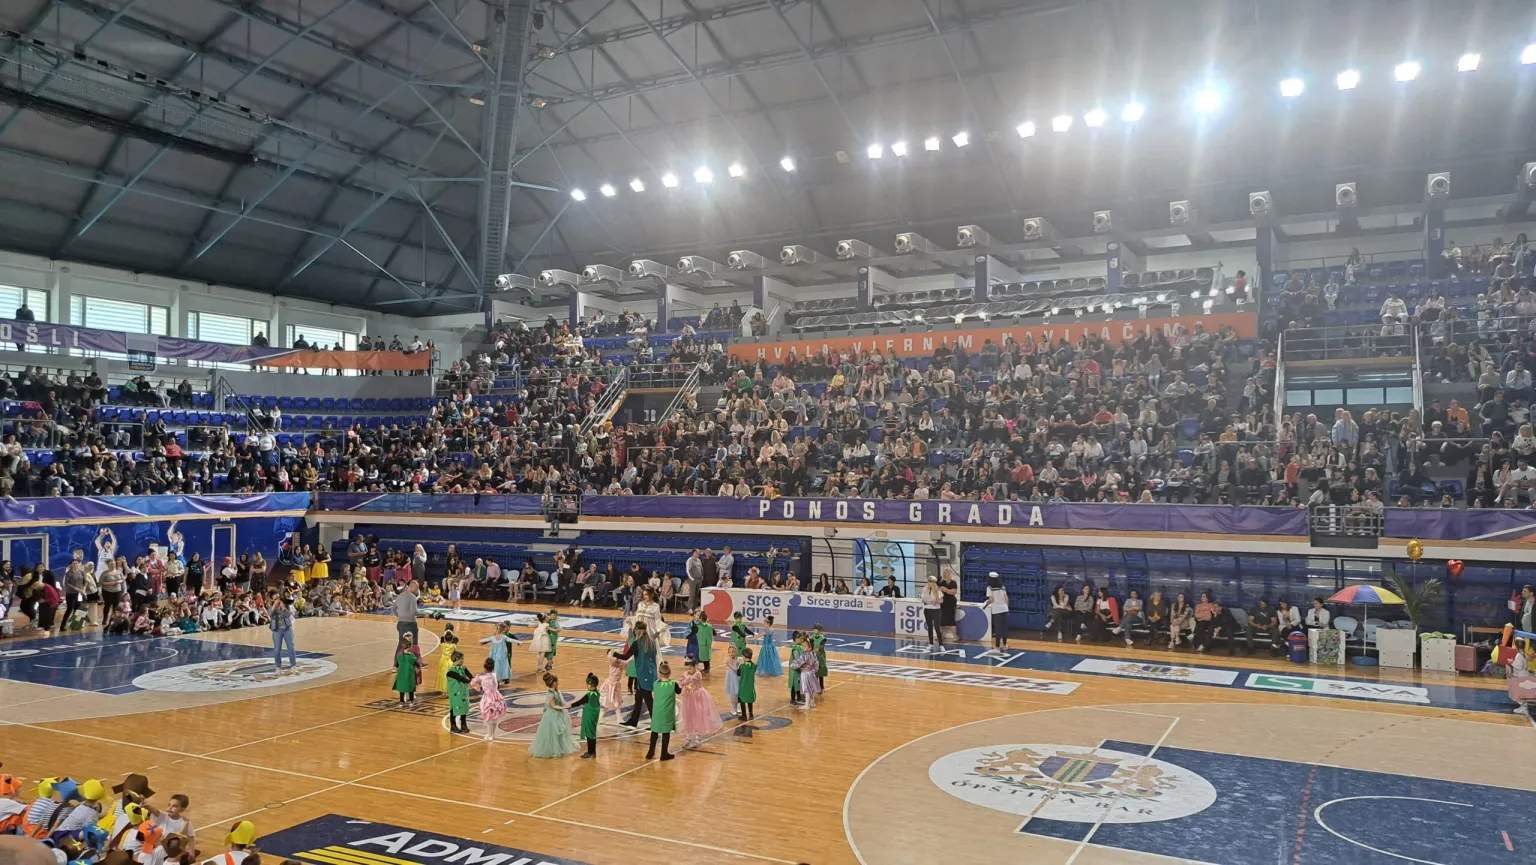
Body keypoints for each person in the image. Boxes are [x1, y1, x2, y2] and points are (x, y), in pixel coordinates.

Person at [616, 621, 659, 728]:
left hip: (643, 675)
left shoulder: (637, 643)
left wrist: (614, 654)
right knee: (638, 698)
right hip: (651, 673)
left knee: (648, 700)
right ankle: (633, 721)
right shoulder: (651, 642)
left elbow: (626, 657)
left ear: (637, 631)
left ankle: (656, 723)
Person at [529, 672, 579, 758]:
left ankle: (560, 748)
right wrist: (564, 708)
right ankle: (553, 750)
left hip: (558, 714)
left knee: (560, 732)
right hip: (552, 716)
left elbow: (562, 702)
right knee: (553, 733)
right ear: (554, 683)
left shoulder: (556, 692)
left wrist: (567, 705)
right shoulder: (551, 694)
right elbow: (553, 706)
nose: (558, 683)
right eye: (557, 682)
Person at [677, 660, 722, 749]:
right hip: (688, 697)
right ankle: (688, 737)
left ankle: (698, 737)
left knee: (698, 716)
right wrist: (679, 682)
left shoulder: (698, 674)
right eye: (687, 669)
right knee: (688, 716)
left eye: (690, 668)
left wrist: (681, 682)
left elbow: (689, 680)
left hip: (698, 697)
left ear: (695, 666)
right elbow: (682, 680)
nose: (688, 670)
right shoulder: (686, 673)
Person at [646, 661, 681, 761]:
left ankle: (650, 752)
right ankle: (664, 753)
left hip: (657, 712)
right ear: (670, 673)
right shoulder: (673, 684)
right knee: (666, 732)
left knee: (654, 731)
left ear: (659, 673)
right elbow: (679, 691)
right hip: (667, 713)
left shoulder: (655, 684)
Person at [568, 672, 604, 759]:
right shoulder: (597, 693)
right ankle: (592, 751)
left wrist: (569, 706)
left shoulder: (589, 695)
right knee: (592, 733)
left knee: (589, 735)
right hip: (594, 716)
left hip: (589, 716)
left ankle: (591, 752)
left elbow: (579, 702)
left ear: (590, 685)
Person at [470, 658, 505, 741]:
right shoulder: (494, 674)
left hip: (488, 697)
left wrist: (479, 686)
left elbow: (472, 683)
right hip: (497, 696)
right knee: (495, 716)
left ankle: (489, 735)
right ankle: (492, 734)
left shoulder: (481, 676)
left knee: (488, 716)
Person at [445, 651, 472, 733]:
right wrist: (471, 682)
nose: (462, 660)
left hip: (463, 692)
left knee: (464, 706)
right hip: (455, 693)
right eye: (461, 659)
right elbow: (461, 678)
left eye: (463, 658)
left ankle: (463, 724)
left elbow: (470, 676)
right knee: (454, 708)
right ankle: (453, 726)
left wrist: (476, 680)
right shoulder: (451, 672)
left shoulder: (463, 668)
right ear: (456, 659)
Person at [793, 633, 822, 708]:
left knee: (806, 689)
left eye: (804, 646)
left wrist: (792, 665)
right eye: (803, 646)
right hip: (812, 673)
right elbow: (816, 663)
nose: (803, 648)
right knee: (811, 688)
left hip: (805, 674)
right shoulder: (813, 654)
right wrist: (814, 669)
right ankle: (812, 703)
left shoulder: (804, 655)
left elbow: (798, 663)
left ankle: (806, 704)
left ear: (810, 648)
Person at [269, 592, 296, 670]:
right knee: (277, 649)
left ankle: (293, 666)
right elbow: (269, 614)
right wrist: (274, 605)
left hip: (287, 628)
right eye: (276, 599)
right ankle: (278, 667)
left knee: (291, 648)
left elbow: (289, 615)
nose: (278, 600)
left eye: (279, 598)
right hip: (277, 629)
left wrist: (284, 608)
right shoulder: (271, 606)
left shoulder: (285, 604)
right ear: (272, 600)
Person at [392, 580, 419, 655]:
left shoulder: (400, 596)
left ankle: (396, 661)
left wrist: (399, 616)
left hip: (401, 623)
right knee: (414, 644)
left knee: (401, 644)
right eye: (417, 587)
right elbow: (414, 612)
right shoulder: (413, 597)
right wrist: (424, 615)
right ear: (411, 587)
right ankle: (415, 660)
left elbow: (393, 609)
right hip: (410, 624)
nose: (417, 589)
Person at [983, 572, 1010, 649]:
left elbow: (991, 600)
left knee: (998, 628)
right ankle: (1004, 645)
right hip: (1005, 609)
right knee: (1004, 628)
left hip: (997, 610)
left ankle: (997, 646)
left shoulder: (989, 588)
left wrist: (985, 604)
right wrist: (1007, 607)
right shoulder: (1003, 587)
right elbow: (1006, 598)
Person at [392, 634, 419, 705]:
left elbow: (396, 666)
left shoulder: (399, 656)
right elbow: (417, 664)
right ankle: (411, 701)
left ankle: (401, 701)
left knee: (402, 688)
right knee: (411, 687)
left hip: (401, 676)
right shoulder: (412, 657)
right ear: (409, 646)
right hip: (410, 676)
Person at [937, 566, 959, 642]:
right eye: (944, 572)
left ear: (949, 573)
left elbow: (954, 592)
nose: (944, 574)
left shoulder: (952, 582)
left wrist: (945, 590)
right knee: (940, 619)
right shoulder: (940, 580)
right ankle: (940, 635)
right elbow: (935, 588)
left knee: (950, 619)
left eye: (946, 573)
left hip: (950, 602)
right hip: (941, 601)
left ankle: (955, 636)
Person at [435, 625, 459, 693]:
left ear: (445, 639)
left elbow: (442, 638)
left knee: (443, 677)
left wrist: (446, 633)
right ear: (452, 639)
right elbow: (456, 639)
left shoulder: (442, 645)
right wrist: (451, 633)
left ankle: (444, 691)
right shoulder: (453, 646)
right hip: (450, 662)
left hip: (443, 662)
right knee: (450, 677)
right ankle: (450, 689)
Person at [920, 576, 943, 645]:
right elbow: (923, 599)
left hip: (936, 610)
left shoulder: (938, 590)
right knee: (930, 627)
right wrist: (925, 601)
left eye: (932, 582)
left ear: (934, 582)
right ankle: (931, 643)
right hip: (927, 609)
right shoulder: (925, 589)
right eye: (929, 581)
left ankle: (941, 644)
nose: (930, 583)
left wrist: (935, 601)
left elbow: (941, 601)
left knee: (937, 627)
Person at [736, 646, 758, 720]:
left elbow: (738, 674)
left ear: (744, 657)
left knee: (742, 700)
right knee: (749, 700)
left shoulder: (742, 666)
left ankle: (744, 715)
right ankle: (751, 714)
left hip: (743, 687)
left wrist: (738, 666)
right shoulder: (754, 666)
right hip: (750, 687)